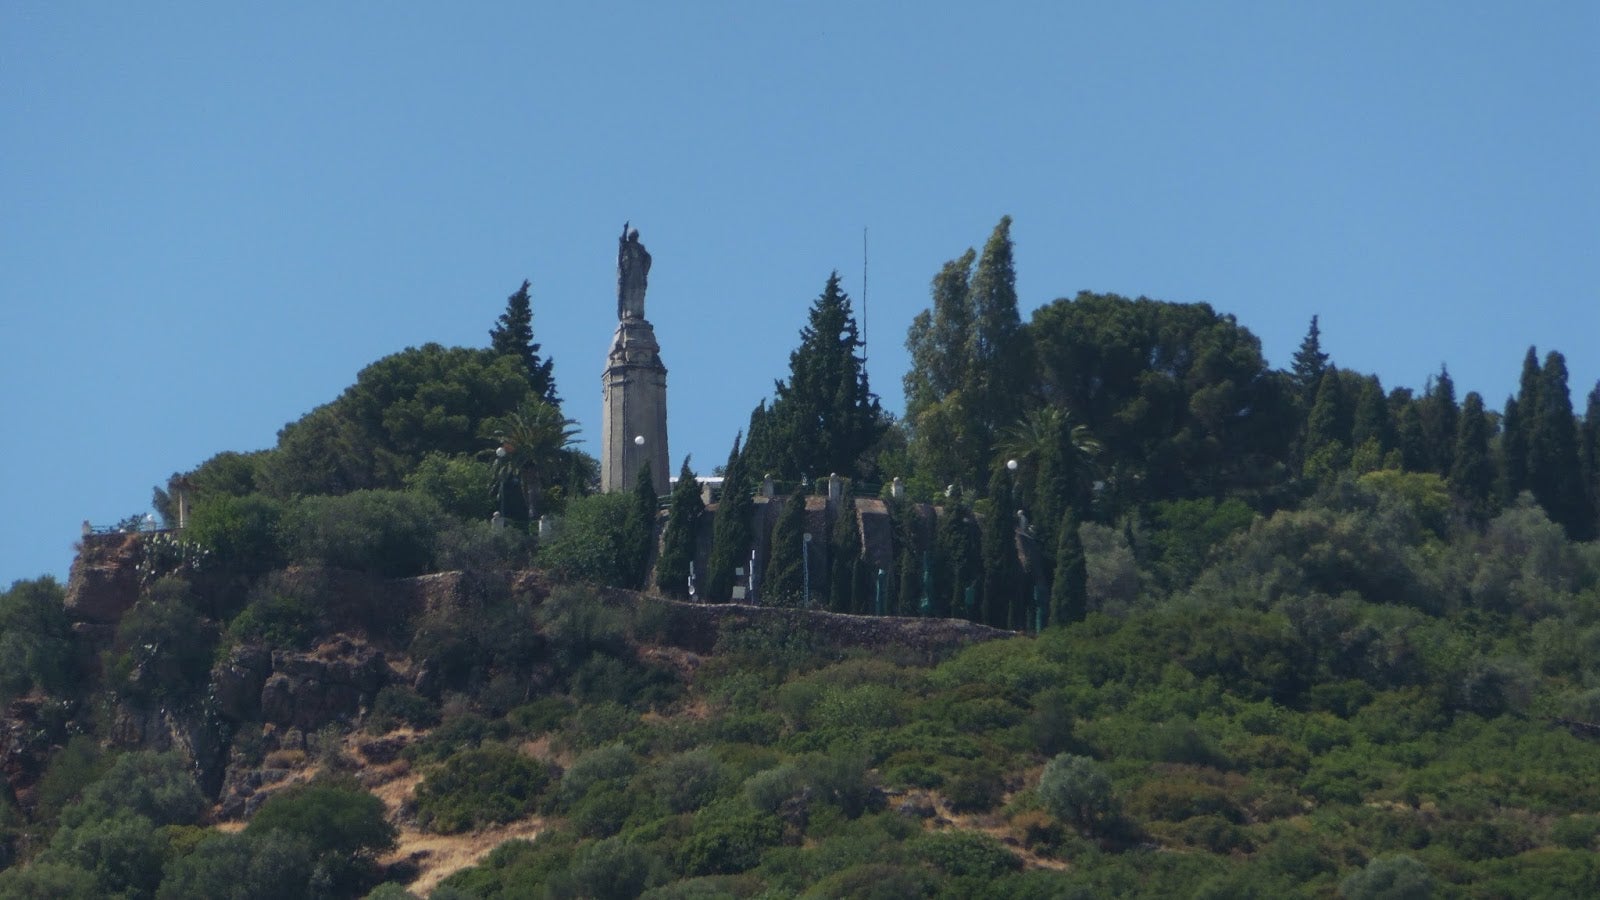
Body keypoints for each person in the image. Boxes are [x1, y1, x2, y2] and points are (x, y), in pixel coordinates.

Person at [617, 222, 651, 319]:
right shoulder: (626, 246)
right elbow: (622, 241)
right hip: (629, 274)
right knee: (629, 293)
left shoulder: (640, 248)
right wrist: (625, 229)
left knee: (638, 292)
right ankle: (628, 313)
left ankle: (638, 312)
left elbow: (648, 258)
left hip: (638, 273)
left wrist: (644, 270)